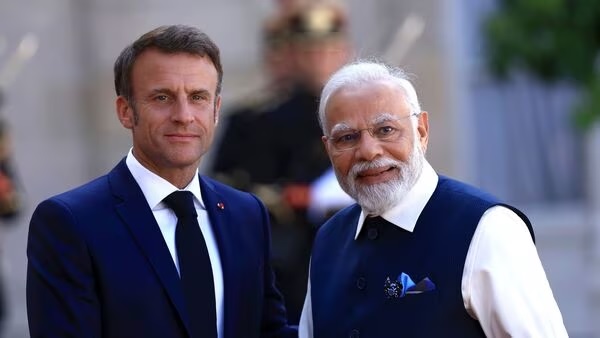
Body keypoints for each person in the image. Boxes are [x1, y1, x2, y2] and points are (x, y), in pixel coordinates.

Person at [26, 25, 296, 338]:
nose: (183, 115)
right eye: (162, 97)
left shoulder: (246, 214)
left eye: (197, 97)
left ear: (216, 110)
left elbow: (268, 330)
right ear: (126, 111)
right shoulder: (70, 223)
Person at [299, 60, 569, 337]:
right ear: (328, 148)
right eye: (347, 137)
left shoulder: (487, 228)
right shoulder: (328, 240)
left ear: (421, 131)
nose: (368, 151)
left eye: (386, 130)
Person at [256, 2, 354, 325]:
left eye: (329, 50)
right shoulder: (268, 120)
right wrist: (304, 197)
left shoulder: (358, 110)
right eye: (311, 52)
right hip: (296, 258)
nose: (321, 60)